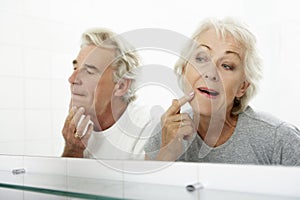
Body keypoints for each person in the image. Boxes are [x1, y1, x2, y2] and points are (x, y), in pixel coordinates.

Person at [144, 17, 300, 166]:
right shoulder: (166, 129)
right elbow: (144, 192)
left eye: (227, 66)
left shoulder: (279, 139)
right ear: (184, 69)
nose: (210, 73)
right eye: (201, 59)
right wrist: (166, 154)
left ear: (242, 87)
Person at [61, 28, 154, 160]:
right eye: (75, 68)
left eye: (89, 71)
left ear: (121, 86)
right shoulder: (77, 127)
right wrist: (72, 150)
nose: (72, 79)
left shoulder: (149, 128)